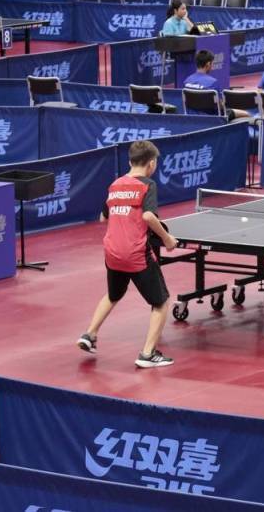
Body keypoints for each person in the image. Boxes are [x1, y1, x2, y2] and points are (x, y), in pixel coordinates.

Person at [78, 140, 178, 369]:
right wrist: (167, 239)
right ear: (151, 164)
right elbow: (148, 217)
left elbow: (103, 217)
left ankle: (89, 334)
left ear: (130, 161)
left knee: (113, 295)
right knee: (161, 302)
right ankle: (147, 354)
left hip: (112, 252)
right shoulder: (147, 185)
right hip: (135, 253)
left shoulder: (115, 185)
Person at [183, 50, 248, 119]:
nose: (212, 66)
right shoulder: (213, 82)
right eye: (212, 63)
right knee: (246, 113)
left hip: (192, 117)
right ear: (208, 64)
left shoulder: (187, 81)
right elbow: (220, 106)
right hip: (214, 118)